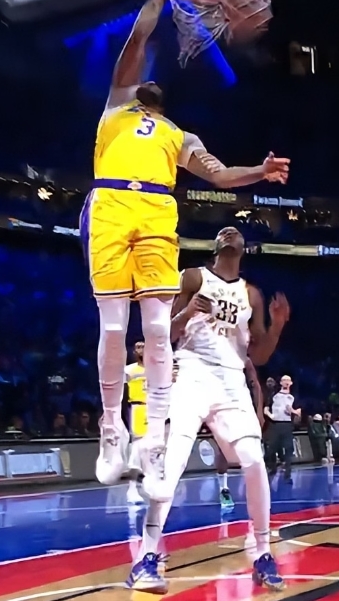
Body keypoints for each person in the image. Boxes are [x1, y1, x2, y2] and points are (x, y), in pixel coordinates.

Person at [80, 0, 291, 490]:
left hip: (157, 209)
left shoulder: (179, 137)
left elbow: (218, 175)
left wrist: (259, 172)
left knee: (157, 330)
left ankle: (152, 442)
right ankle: (111, 429)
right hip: (110, 204)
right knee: (114, 328)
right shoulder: (115, 108)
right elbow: (138, 39)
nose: (148, 78)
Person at [126, 226, 290, 593]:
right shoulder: (193, 277)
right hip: (193, 371)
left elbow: (259, 355)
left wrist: (277, 326)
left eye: (236, 232)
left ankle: (263, 553)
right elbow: (162, 335)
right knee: (173, 462)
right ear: (216, 246)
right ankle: (145, 558)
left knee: (254, 459)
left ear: (244, 249)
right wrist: (186, 313)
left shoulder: (251, 294)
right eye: (224, 231)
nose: (230, 232)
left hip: (231, 379)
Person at [215, 359, 264, 511]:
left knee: (251, 449)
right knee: (223, 449)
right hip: (222, 407)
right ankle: (224, 489)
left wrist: (259, 412)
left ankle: (254, 488)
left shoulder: (244, 359)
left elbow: (256, 385)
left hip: (243, 407)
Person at [264, 376, 301, 481]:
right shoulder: (274, 395)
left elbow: (298, 412)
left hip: (287, 424)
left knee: (288, 449)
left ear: (291, 383)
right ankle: (272, 467)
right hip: (275, 424)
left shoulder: (293, 397)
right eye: (284, 380)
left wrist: (292, 411)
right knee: (271, 448)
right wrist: (271, 416)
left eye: (288, 380)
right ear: (280, 382)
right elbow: (266, 409)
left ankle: (287, 474)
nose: (286, 382)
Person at [124, 341, 147, 504]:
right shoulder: (129, 370)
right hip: (137, 409)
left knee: (155, 450)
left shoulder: (156, 368)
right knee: (136, 450)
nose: (141, 349)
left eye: (144, 346)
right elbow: (122, 395)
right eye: (138, 347)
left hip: (155, 410)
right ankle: (131, 489)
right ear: (134, 352)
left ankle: (149, 485)